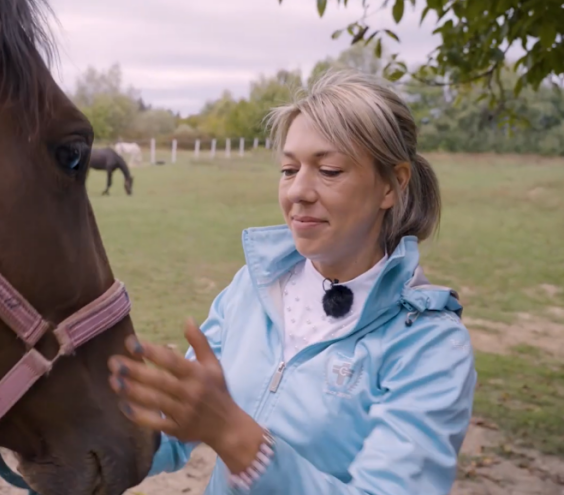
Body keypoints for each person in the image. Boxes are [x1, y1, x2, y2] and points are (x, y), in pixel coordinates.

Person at [107, 69, 477, 495]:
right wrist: (52, 430)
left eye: (330, 170)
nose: (297, 191)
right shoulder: (254, 287)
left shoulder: (429, 346)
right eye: (288, 169)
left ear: (393, 185)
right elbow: (174, 426)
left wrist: (235, 436)